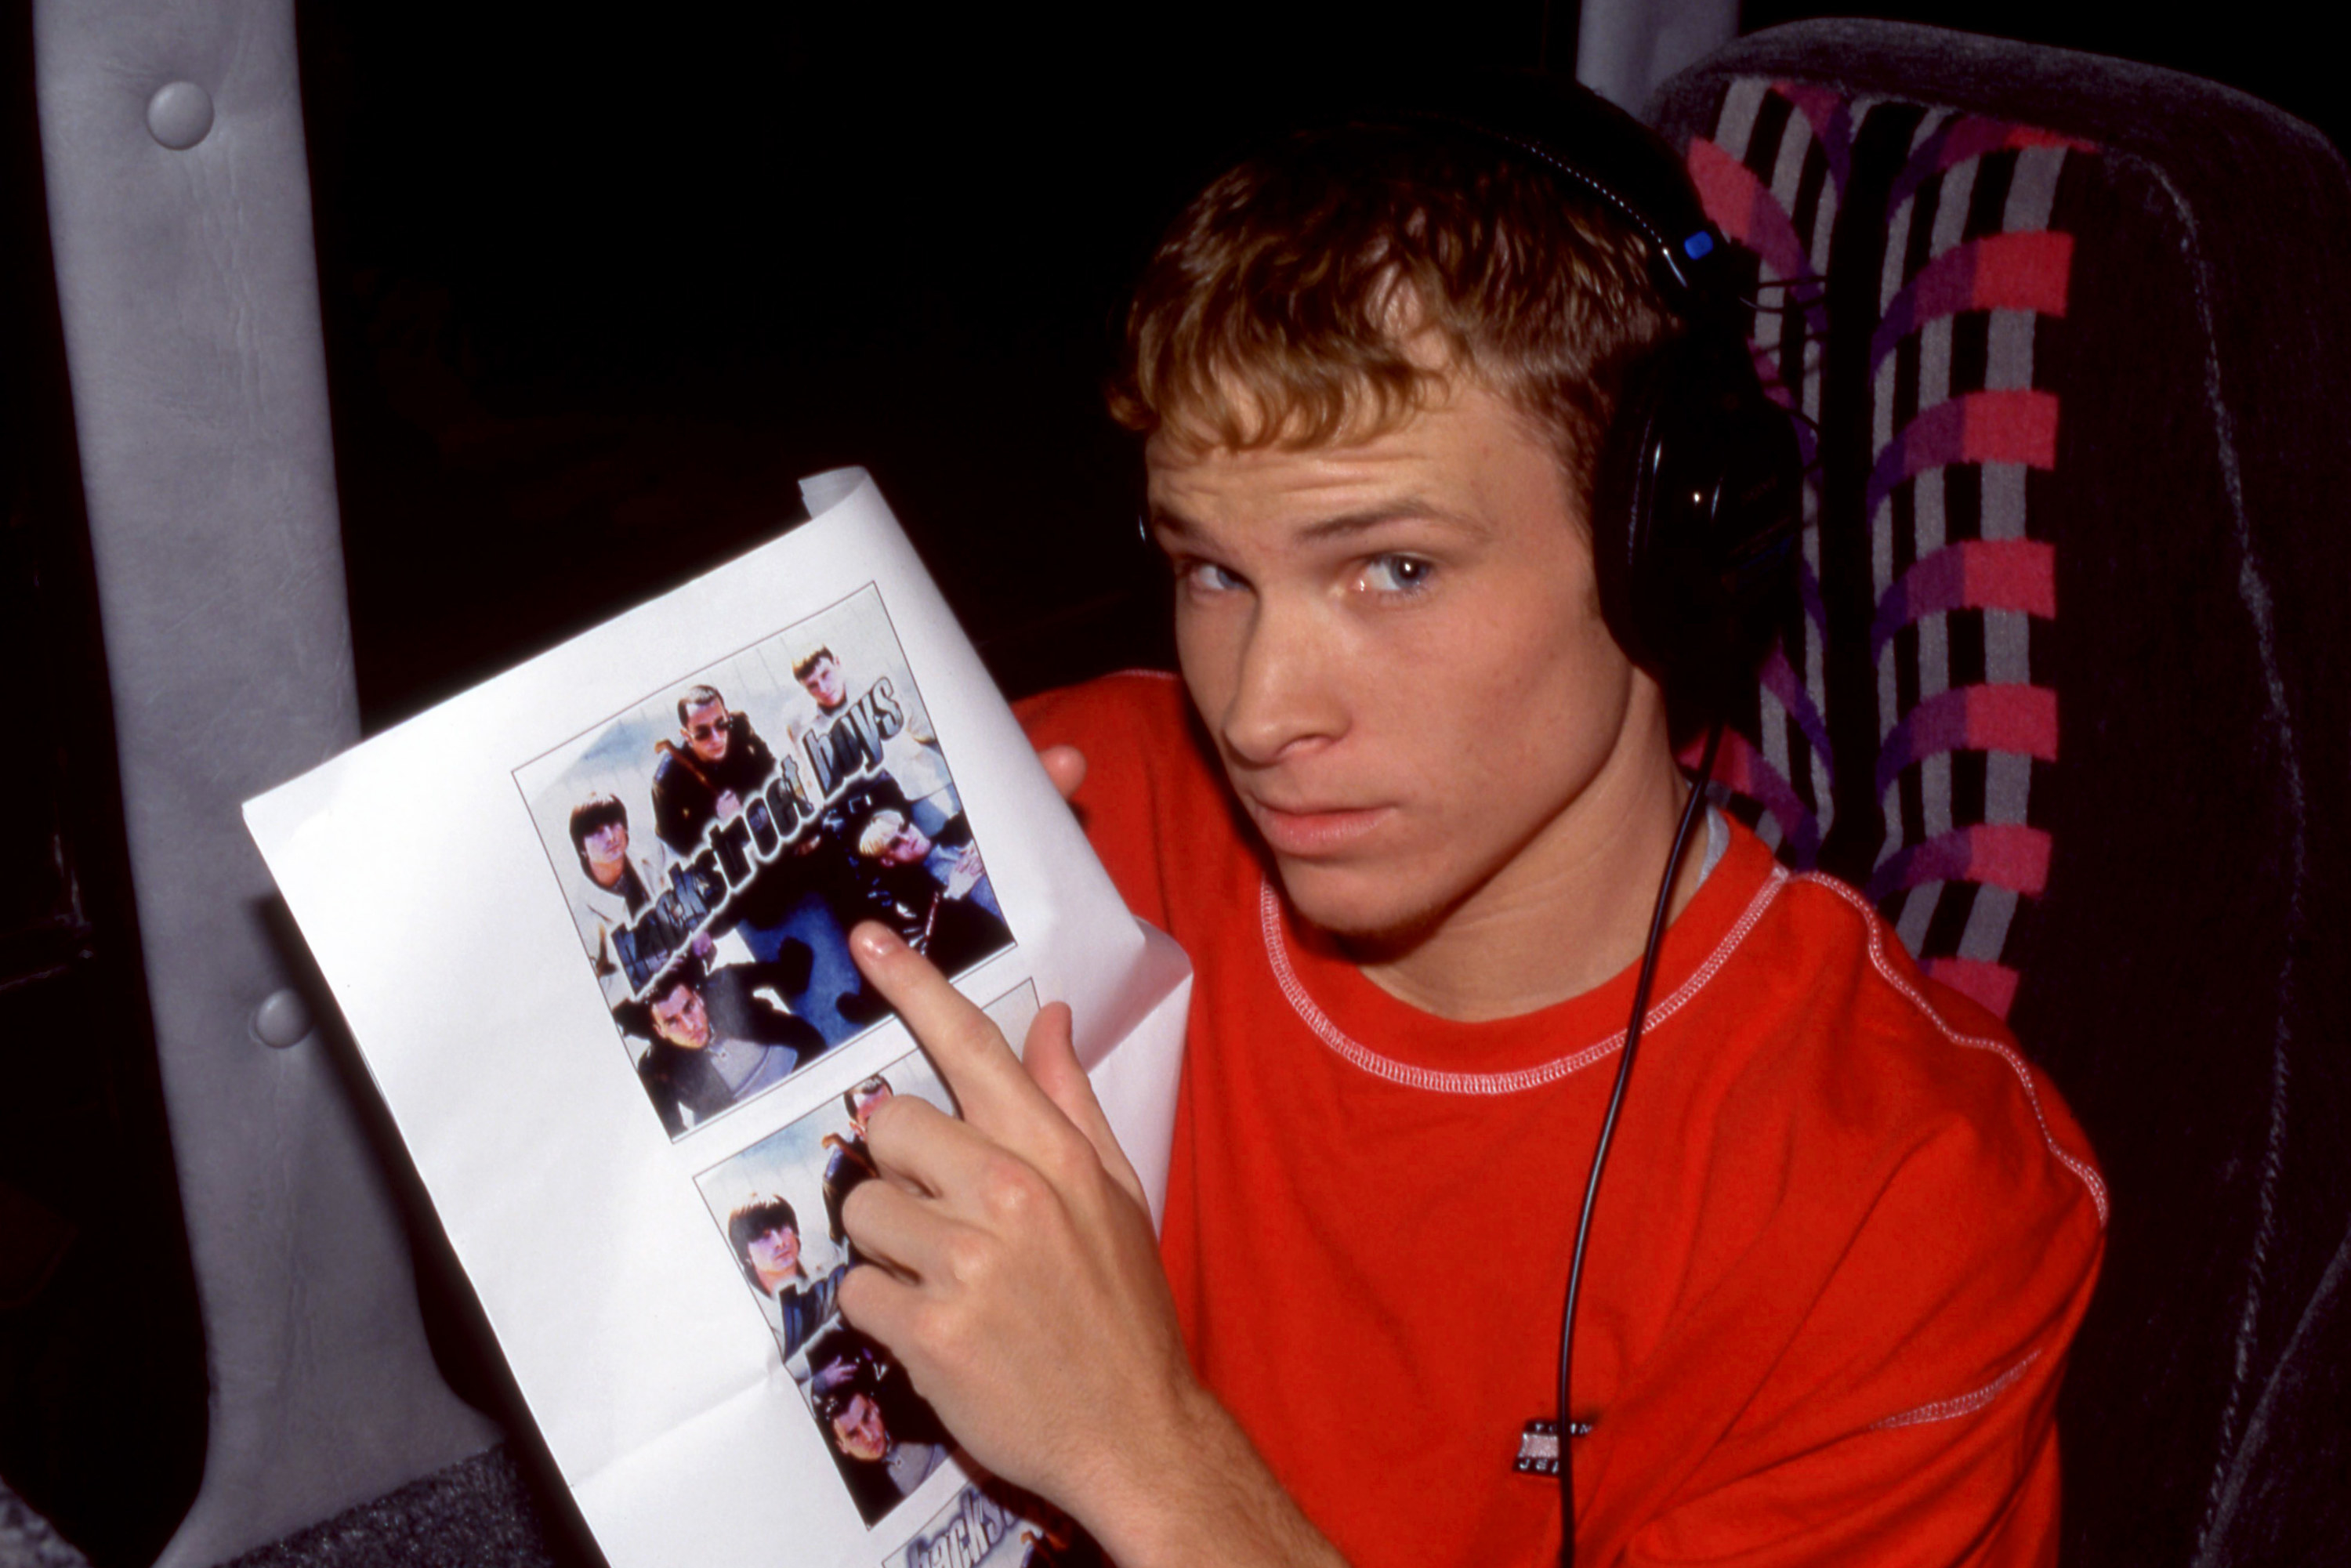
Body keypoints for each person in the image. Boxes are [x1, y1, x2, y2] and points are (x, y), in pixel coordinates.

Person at [821, 85, 2105, 1568]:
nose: (1255, 711)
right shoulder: (1074, 804)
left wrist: (1142, 1452)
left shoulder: (1906, 1205)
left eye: (1394, 569)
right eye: (1213, 572)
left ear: (1660, 550)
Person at [631, 963, 822, 1138]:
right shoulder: (657, 1067)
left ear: (699, 999)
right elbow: (672, 1134)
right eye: (672, 1022)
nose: (689, 1026)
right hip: (752, 1129)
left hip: (803, 1072)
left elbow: (784, 972)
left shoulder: (722, 986)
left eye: (689, 1007)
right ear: (660, 1031)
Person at [804, 1324, 951, 1526]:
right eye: (853, 1434)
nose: (869, 1436)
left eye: (866, 1417)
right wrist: (817, 1391)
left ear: (874, 1406)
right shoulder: (858, 1492)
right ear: (841, 1447)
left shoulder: (907, 1407)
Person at [849, 808, 1010, 975]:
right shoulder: (910, 901)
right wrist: (951, 896)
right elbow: (930, 955)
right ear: (887, 861)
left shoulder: (958, 830)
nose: (907, 838)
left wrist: (983, 841)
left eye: (904, 827)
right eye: (896, 844)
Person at [564, 792, 669, 1006]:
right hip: (634, 1002)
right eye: (596, 832)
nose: (610, 837)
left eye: (614, 824)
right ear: (582, 849)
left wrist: (698, 933)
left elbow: (682, 879)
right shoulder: (583, 914)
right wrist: (643, 969)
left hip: (675, 961)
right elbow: (591, 994)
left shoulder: (648, 850)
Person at [726, 1194, 846, 1361]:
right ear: (745, 1254)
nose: (779, 1242)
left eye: (783, 1227)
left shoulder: (822, 1252)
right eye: (764, 1236)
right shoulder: (746, 1310)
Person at [820, 1075, 893, 1249]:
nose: (886, 1124)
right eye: (872, 1119)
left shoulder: (919, 1129)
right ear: (856, 1128)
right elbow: (843, 1241)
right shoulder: (839, 1176)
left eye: (890, 1110)